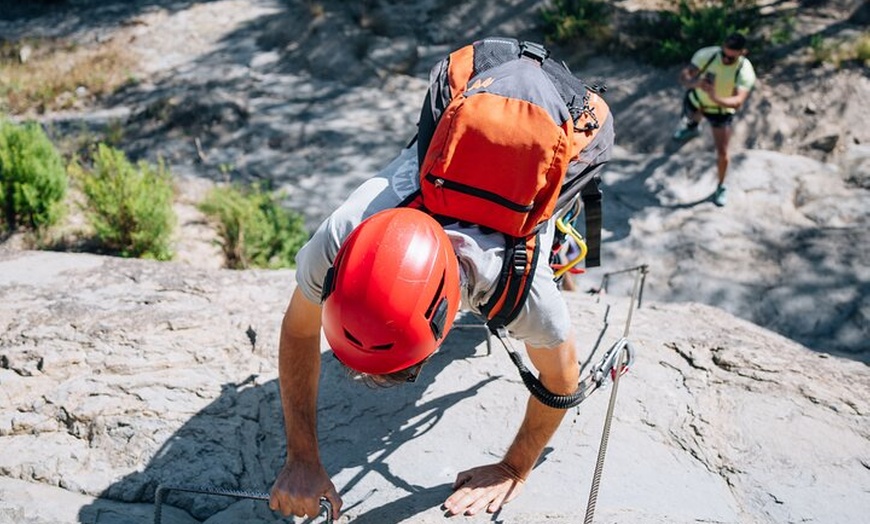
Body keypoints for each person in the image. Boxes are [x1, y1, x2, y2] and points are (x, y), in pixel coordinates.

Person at [268, 40, 614, 520]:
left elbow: (561, 380)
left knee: (559, 209)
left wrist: (514, 469)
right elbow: (300, 328)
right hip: (478, 84)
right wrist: (302, 458)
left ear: (448, 316)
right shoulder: (342, 238)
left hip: (562, 119)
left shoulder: (518, 290)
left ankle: (570, 253)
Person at [673, 32, 757, 207]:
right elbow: (684, 77)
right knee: (693, 115)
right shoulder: (707, 55)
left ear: (743, 53)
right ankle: (692, 128)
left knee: (723, 152)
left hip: (720, 110)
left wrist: (714, 97)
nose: (725, 59)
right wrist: (695, 84)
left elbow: (737, 102)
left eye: (730, 58)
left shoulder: (745, 70)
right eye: (724, 54)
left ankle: (721, 185)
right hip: (697, 101)